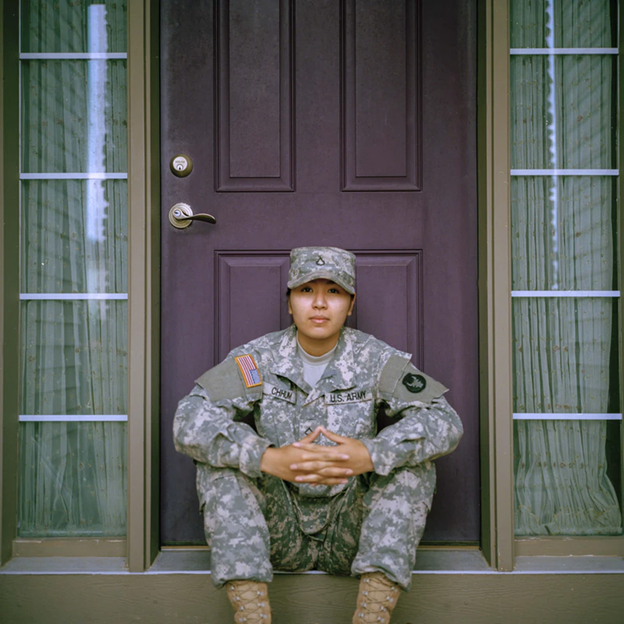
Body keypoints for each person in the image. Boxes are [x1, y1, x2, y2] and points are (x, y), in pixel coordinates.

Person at [173, 247, 463, 624]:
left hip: (353, 530)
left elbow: (444, 419)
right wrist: (268, 458)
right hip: (277, 528)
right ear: (290, 303)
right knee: (220, 468)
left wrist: (371, 454)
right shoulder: (257, 359)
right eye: (306, 291)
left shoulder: (375, 359)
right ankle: (252, 617)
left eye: (335, 292)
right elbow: (189, 417)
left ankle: (371, 615)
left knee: (412, 468)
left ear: (351, 303)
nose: (320, 304)